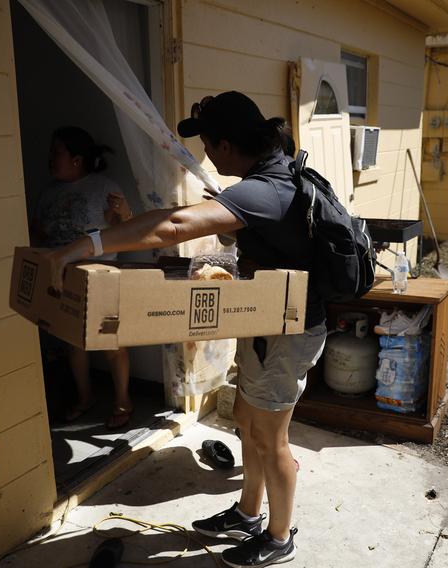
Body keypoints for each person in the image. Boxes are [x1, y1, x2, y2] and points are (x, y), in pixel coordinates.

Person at [44, 92, 326, 568]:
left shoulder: (265, 189)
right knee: (249, 423)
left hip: (290, 330)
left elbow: (174, 225)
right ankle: (248, 513)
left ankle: (278, 540)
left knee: (270, 438)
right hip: (267, 321)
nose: (206, 156)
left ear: (226, 144)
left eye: (208, 144)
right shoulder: (269, 178)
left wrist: (84, 244)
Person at [32, 126, 134, 428]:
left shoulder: (104, 187)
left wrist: (125, 212)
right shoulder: (48, 191)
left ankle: (123, 401)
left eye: (57, 153)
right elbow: (37, 231)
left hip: (99, 275)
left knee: (112, 342)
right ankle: (85, 396)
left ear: (77, 159)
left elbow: (126, 228)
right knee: (72, 342)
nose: (51, 159)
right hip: (61, 276)